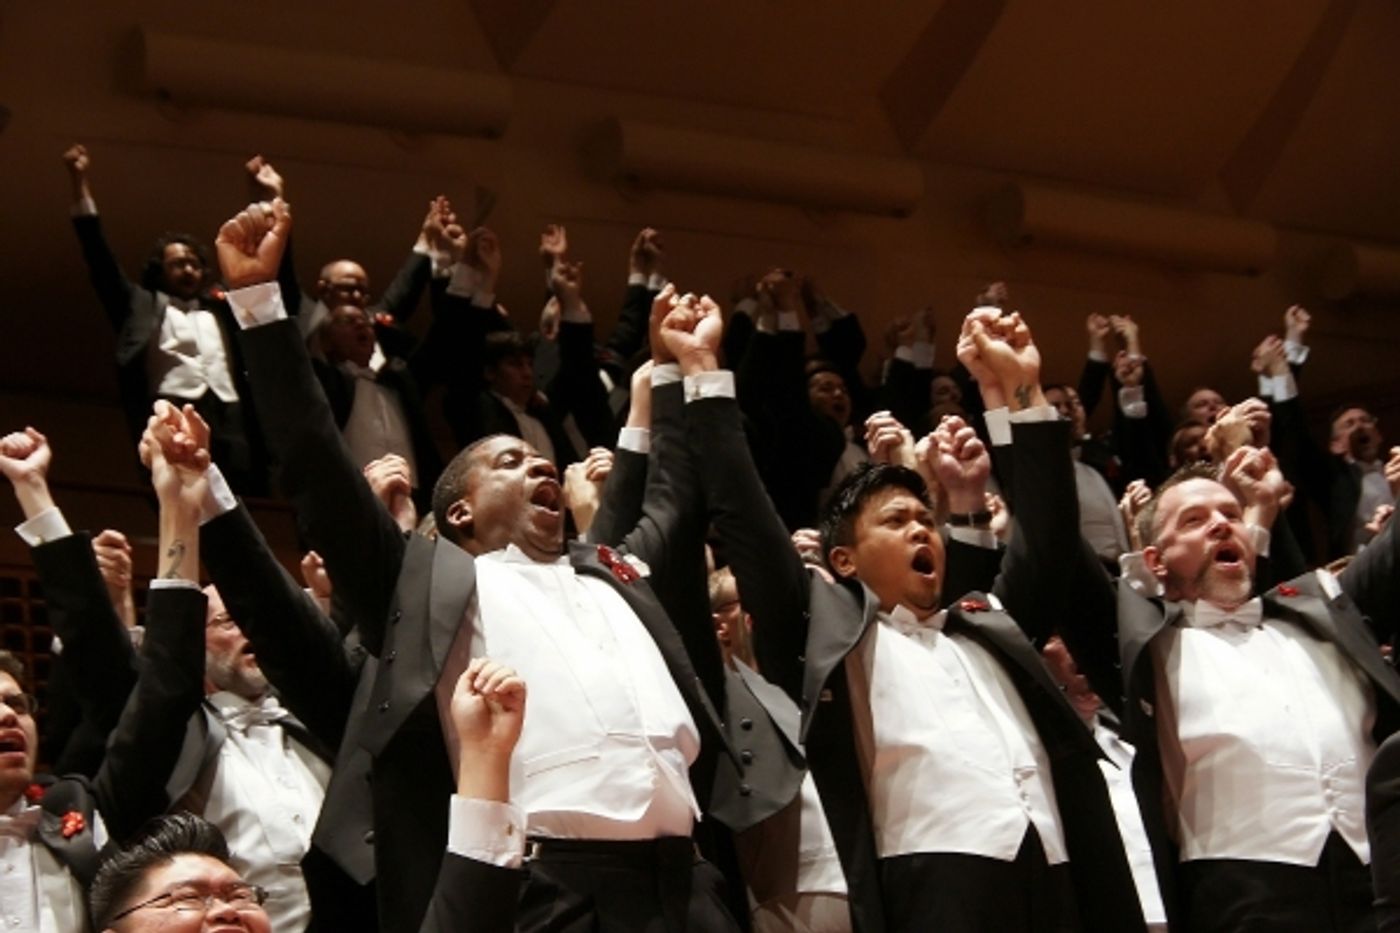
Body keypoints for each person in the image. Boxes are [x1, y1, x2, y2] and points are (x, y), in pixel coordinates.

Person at [209, 196, 741, 933]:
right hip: (549, 887)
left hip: (690, 884)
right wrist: (261, 307)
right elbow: (317, 468)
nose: (540, 464)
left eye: (540, 458)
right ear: (458, 511)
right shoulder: (426, 581)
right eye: (511, 460)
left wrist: (686, 368)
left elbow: (677, 501)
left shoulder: (610, 569)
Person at [683, 302, 1144, 932]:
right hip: (932, 882)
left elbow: (1052, 535)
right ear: (842, 560)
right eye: (896, 521)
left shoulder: (987, 624)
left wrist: (1015, 393)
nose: (921, 530)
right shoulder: (825, 638)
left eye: (925, 519)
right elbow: (743, 509)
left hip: (1058, 871)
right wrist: (703, 369)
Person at [1061, 448, 1400, 932]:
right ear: (1154, 561)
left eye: (1232, 515)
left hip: (1381, 881)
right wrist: (1018, 405)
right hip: (1240, 897)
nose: (1221, 524)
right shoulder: (1146, 651)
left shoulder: (1326, 616)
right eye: (1195, 520)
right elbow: (1057, 544)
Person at [62, 144, 268, 494]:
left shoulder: (221, 309)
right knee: (180, 491)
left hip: (229, 415)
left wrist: (259, 201)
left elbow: (257, 271)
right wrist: (79, 181)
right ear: (160, 271)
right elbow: (100, 261)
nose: (187, 269)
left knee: (238, 492)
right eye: (176, 263)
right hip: (171, 409)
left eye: (193, 262)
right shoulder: (140, 305)